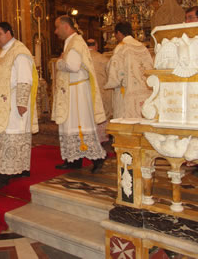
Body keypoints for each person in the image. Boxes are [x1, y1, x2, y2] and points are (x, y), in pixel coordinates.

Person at [0, 22, 38, 189]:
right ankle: (12, 170)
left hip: (13, 102)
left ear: (9, 33)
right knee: (1, 138)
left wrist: (22, 103)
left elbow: (25, 78)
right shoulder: (0, 53)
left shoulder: (20, 52)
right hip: (0, 103)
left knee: (11, 137)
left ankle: (2, 176)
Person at [52, 16, 106, 172]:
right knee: (70, 125)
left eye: (57, 27)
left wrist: (59, 62)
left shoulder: (76, 42)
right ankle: (73, 159)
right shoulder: (71, 42)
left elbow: (73, 66)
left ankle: (98, 158)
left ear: (65, 26)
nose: (55, 31)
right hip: (71, 90)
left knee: (80, 125)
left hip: (77, 92)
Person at [105, 22, 153, 119]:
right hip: (145, 93)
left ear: (118, 33)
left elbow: (114, 71)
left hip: (127, 93)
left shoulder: (121, 47)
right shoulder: (142, 47)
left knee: (127, 124)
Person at [86, 38, 113, 147]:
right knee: (101, 115)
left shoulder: (82, 58)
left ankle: (88, 138)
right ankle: (101, 139)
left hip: (86, 93)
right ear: (96, 45)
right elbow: (110, 78)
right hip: (101, 93)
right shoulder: (103, 59)